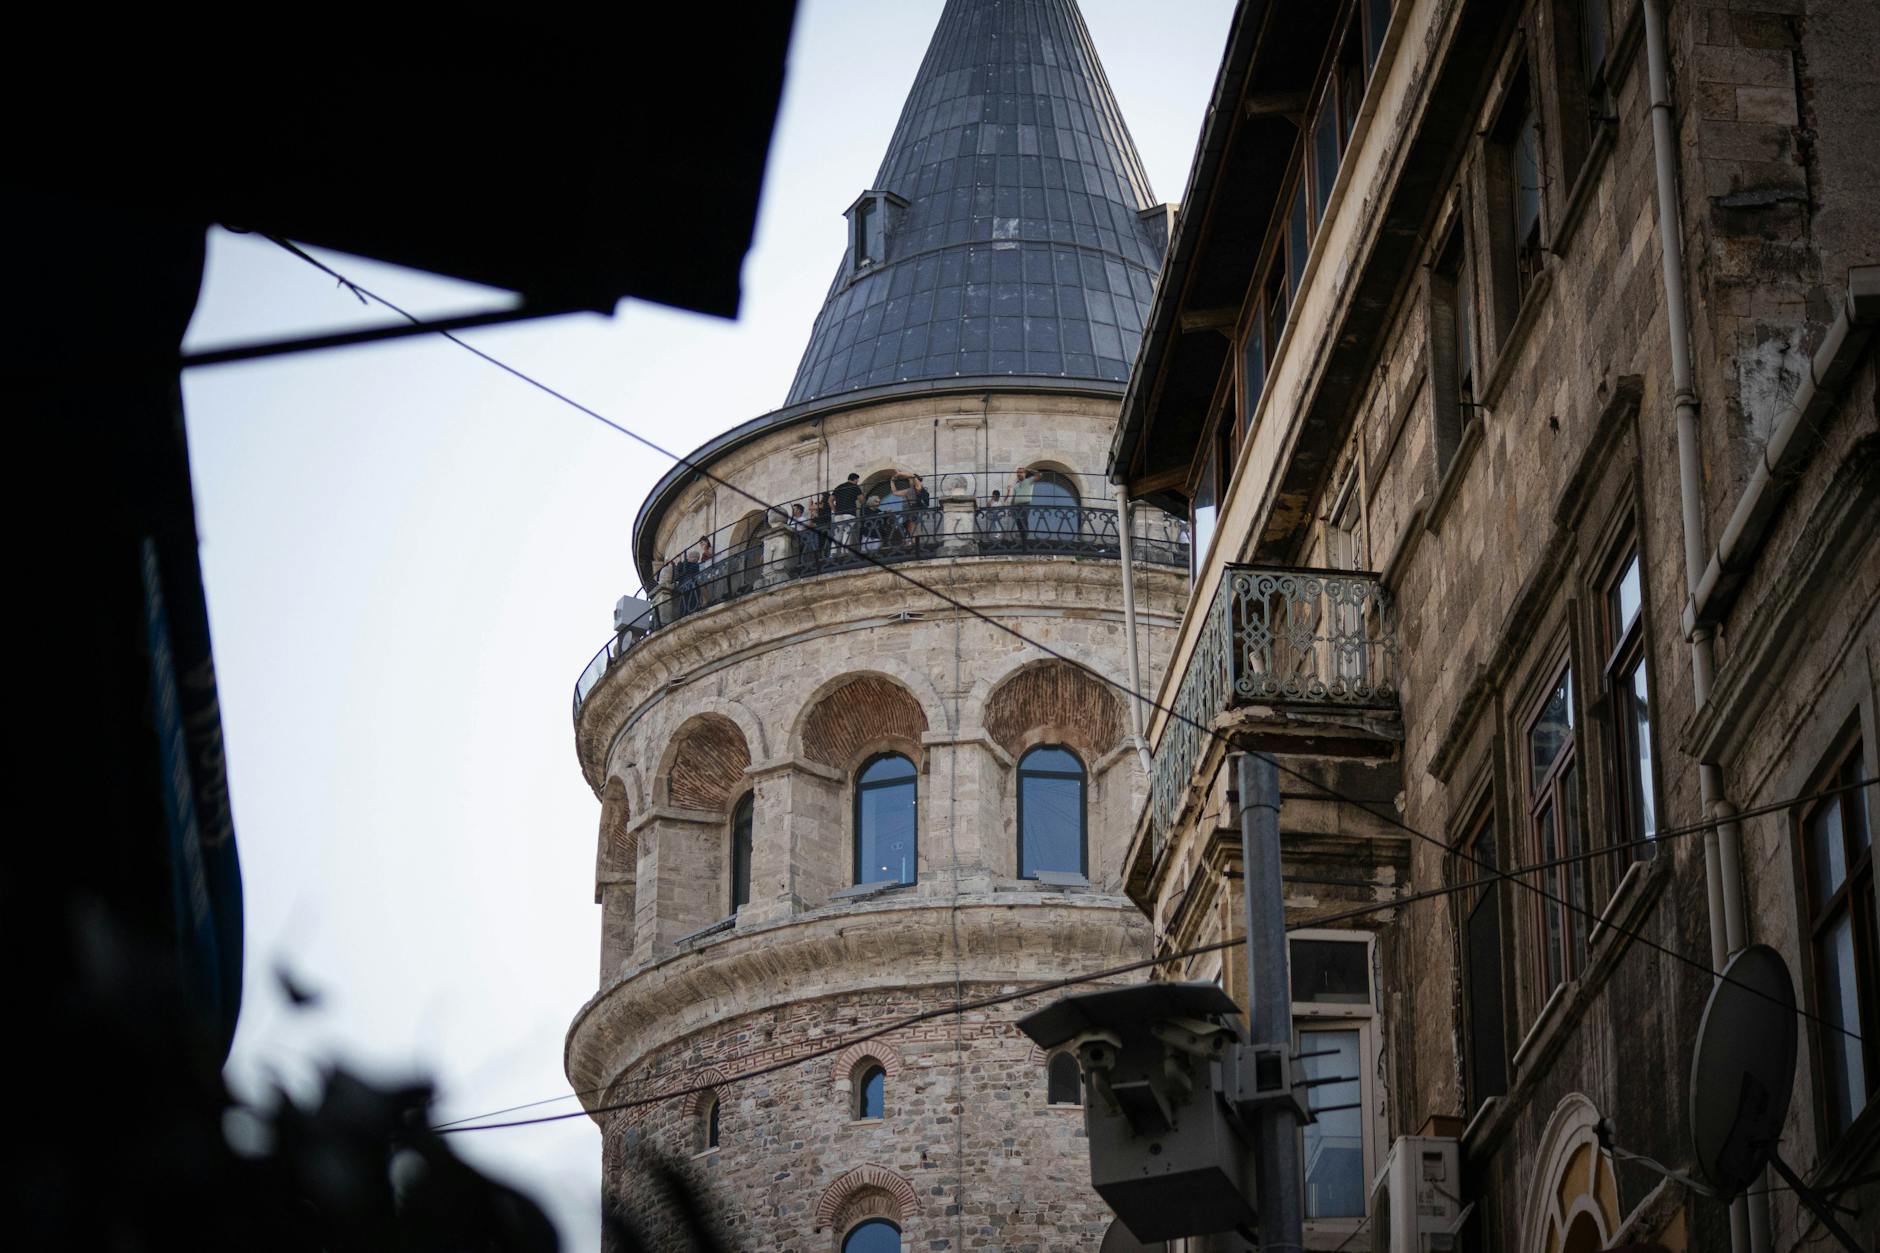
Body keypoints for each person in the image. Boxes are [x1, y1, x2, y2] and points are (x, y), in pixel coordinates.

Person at [831, 472, 863, 560]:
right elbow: (861, 500)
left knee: (837, 534)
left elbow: (830, 500)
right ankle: (844, 552)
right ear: (855, 479)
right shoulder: (855, 487)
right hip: (849, 513)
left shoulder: (839, 487)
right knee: (847, 532)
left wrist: (835, 511)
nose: (857, 482)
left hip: (838, 514)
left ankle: (833, 553)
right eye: (857, 480)